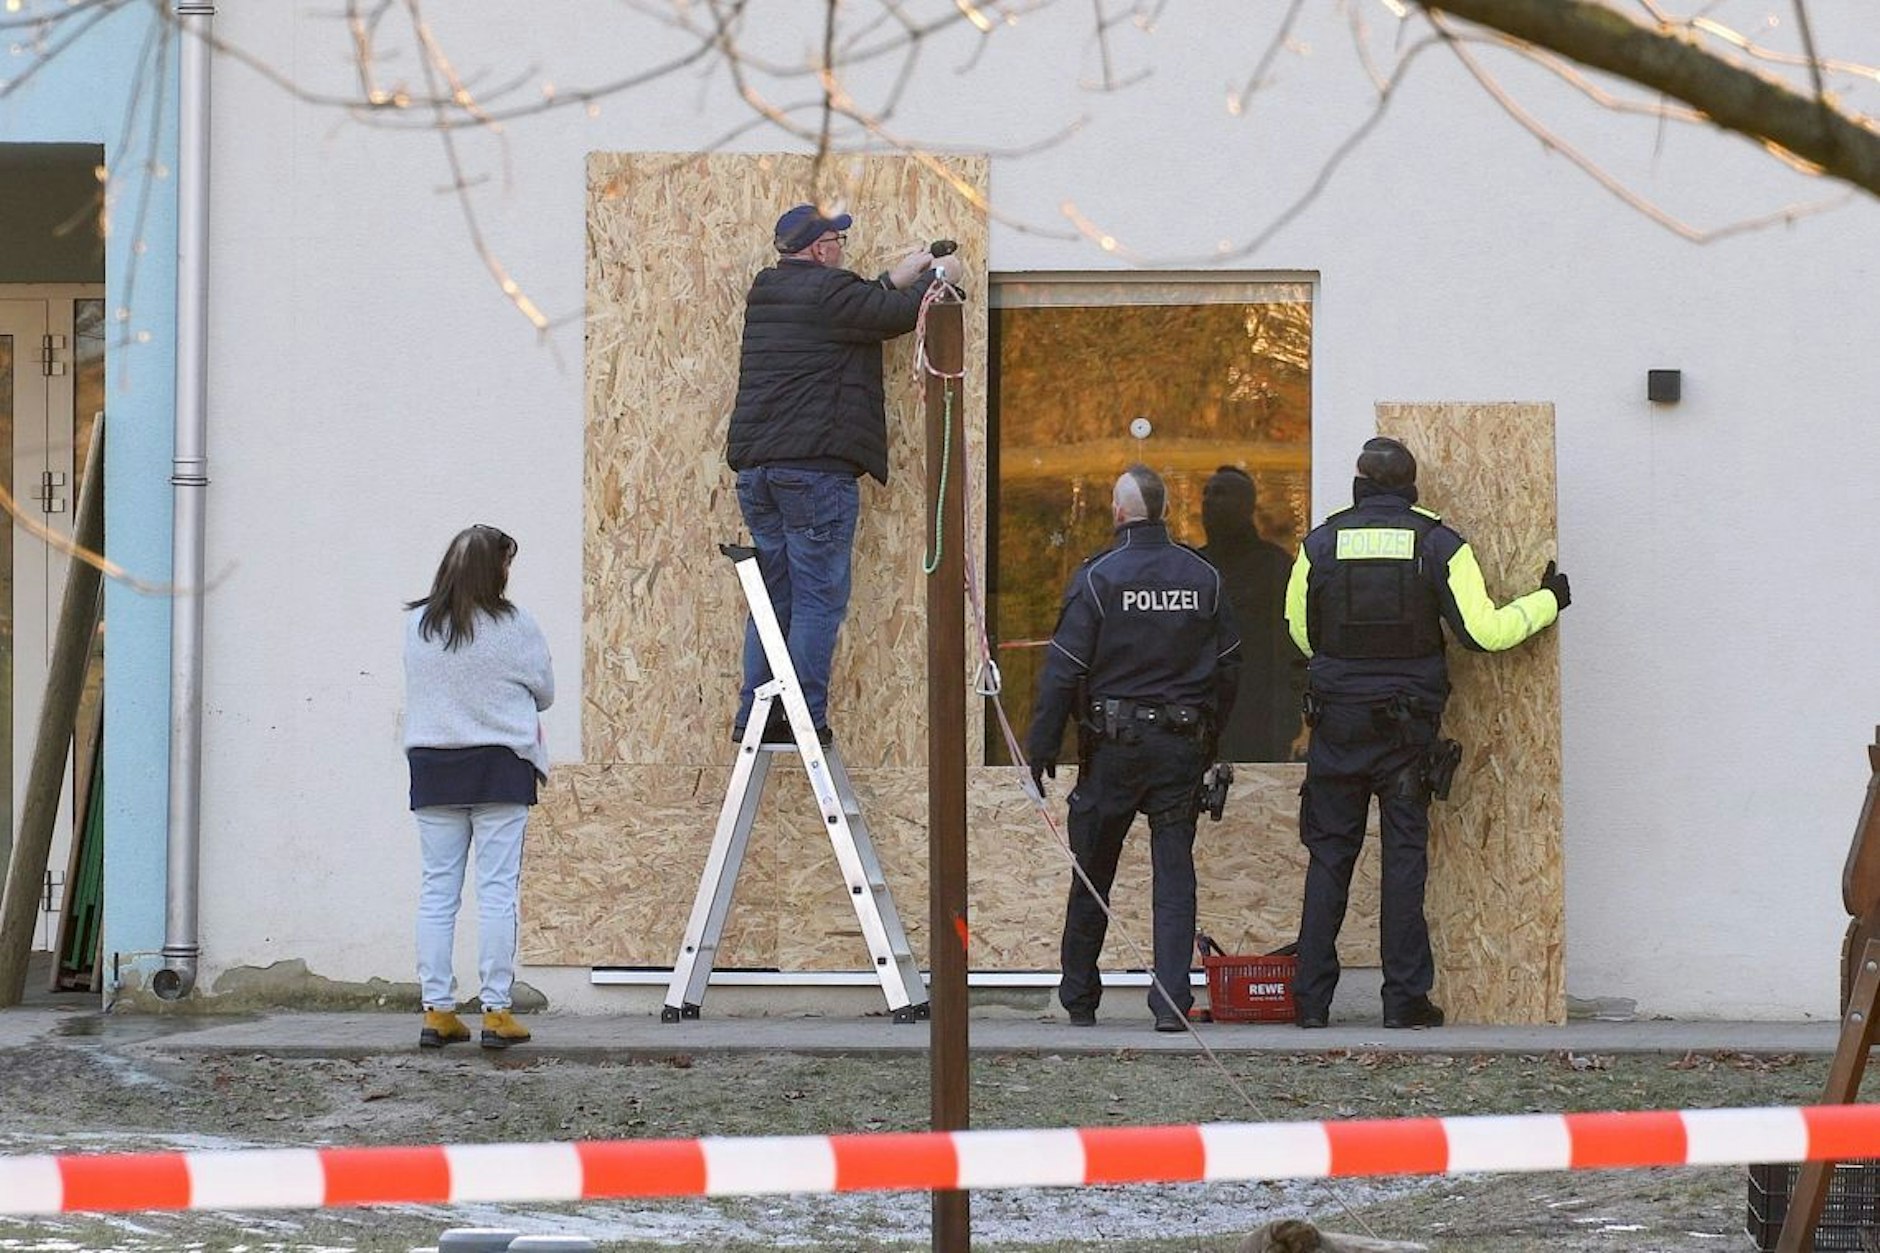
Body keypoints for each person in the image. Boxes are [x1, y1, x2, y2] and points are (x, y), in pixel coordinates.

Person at [1284, 437, 1571, 1029]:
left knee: (1329, 859)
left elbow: (1299, 633)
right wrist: (1548, 601)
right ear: (1410, 485)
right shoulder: (1438, 542)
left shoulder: (1321, 543)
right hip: (1405, 730)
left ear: (1360, 480)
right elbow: (1484, 633)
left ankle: (1310, 1003)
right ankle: (1403, 1001)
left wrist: (1344, 670)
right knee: (1404, 861)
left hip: (1337, 724)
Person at [1026, 464, 1243, 1032]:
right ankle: (1172, 1002)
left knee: (1093, 871)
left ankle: (1079, 996)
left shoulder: (1099, 578)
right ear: (1164, 510)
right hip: (1180, 746)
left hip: (1114, 749)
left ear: (1119, 512)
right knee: (1174, 874)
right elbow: (1230, 669)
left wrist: (1043, 746)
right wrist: (1208, 737)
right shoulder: (1203, 576)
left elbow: (1062, 673)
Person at [725, 203, 938, 745]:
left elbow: (858, 302)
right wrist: (938, 278)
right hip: (814, 475)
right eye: (837, 241)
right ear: (820, 249)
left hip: (761, 475)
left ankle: (758, 711)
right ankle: (804, 716)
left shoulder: (768, 290)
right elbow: (889, 315)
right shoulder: (829, 295)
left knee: (776, 597)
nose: (842, 247)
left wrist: (898, 274)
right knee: (819, 597)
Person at [402, 524, 555, 1050]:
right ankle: (496, 1011)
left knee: (437, 892)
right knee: (495, 892)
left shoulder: (418, 625)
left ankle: (437, 1010)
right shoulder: (515, 624)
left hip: (433, 765)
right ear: (496, 570)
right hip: (499, 765)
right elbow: (545, 692)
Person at [1199, 465, 1306, 761]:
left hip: (1261, 720)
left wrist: (1288, 716)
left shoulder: (1274, 568)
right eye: (1206, 493)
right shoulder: (1195, 568)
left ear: (1245, 506)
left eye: (1220, 494)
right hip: (1202, 717)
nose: (1208, 501)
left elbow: (1295, 647)